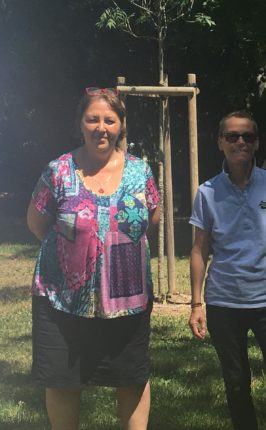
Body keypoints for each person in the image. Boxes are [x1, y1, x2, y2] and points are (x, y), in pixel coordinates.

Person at [26, 87, 159, 429]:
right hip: (62, 299)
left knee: (132, 378)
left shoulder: (140, 171)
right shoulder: (58, 171)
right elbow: (37, 223)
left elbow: (151, 220)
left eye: (109, 120)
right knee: (63, 381)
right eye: (93, 119)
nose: (101, 127)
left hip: (127, 299)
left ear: (121, 125)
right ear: (80, 124)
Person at [188, 111, 266, 430]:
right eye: (232, 136)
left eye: (248, 136)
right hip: (224, 302)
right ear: (220, 143)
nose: (240, 142)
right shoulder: (207, 191)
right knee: (236, 383)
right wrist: (196, 304)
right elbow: (199, 249)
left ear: (256, 143)